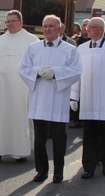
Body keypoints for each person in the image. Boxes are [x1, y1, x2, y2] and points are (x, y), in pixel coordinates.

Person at [18, 15, 81, 183]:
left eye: (51, 26)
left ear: (60, 29)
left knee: (59, 137)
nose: (47, 29)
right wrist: (37, 71)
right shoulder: (33, 48)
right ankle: (41, 170)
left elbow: (76, 71)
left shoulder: (70, 49)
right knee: (39, 139)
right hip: (39, 99)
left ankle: (58, 171)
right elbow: (23, 68)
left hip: (57, 99)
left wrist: (56, 73)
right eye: (45, 26)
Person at [70, 17, 105, 179]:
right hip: (88, 98)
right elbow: (77, 74)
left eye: (90, 27)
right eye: (87, 27)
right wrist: (74, 96)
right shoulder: (81, 48)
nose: (87, 29)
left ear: (100, 29)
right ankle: (89, 166)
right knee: (89, 135)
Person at [0, 10, 39, 163]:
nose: (10, 24)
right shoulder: (0, 41)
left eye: (13, 21)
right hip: (1, 87)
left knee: (19, 117)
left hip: (21, 88)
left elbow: (36, 65)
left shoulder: (32, 40)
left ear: (21, 22)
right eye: (8, 21)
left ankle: (20, 152)